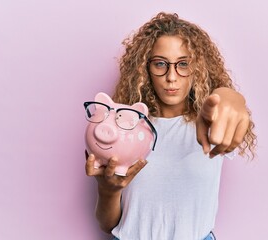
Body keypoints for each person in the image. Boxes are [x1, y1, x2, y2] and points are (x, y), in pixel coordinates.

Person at [85, 12, 257, 240]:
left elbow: (229, 105)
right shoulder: (126, 131)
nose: (171, 77)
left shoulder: (212, 123)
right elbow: (108, 225)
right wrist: (109, 189)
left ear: (198, 68)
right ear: (145, 69)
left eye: (183, 64)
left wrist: (231, 98)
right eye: (160, 64)